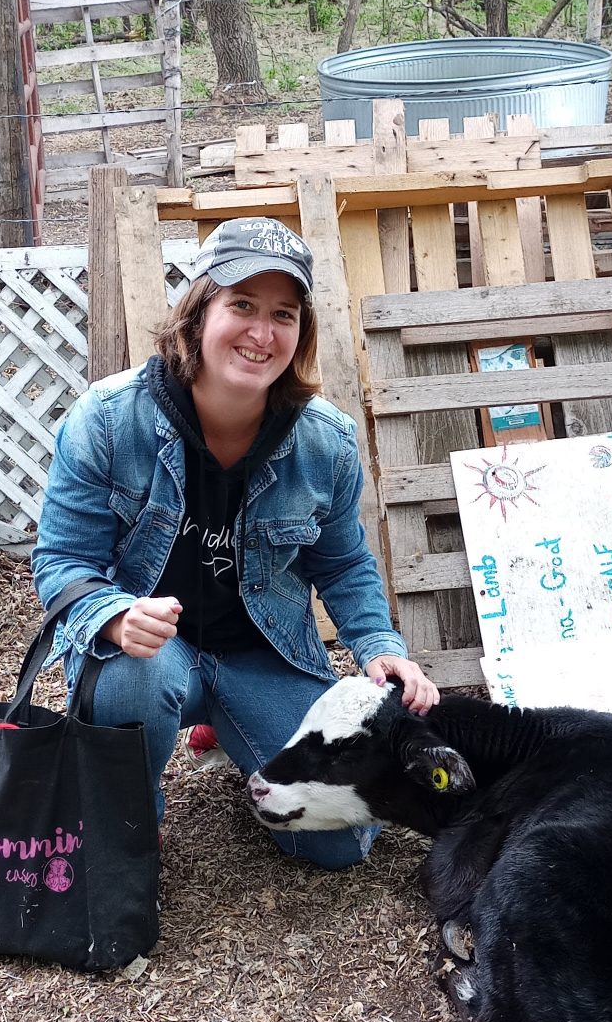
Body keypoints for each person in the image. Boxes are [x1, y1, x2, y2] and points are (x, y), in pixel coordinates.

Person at [32, 216, 439, 869]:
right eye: (241, 305)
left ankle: (230, 723)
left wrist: (380, 648)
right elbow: (62, 561)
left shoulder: (324, 442)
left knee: (340, 843)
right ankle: (130, 812)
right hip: (151, 657)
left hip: (261, 654)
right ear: (198, 313)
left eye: (283, 313)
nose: (261, 332)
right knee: (138, 679)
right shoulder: (108, 422)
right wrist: (109, 615)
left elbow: (343, 563)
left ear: (301, 332)